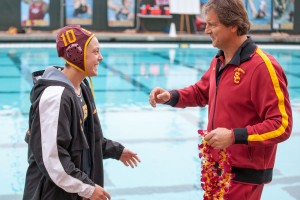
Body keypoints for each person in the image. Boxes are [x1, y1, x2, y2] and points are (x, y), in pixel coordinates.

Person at [149, 0, 293, 199]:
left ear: (233, 25)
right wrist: (171, 96)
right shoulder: (220, 60)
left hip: (243, 177)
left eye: (212, 24)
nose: (206, 30)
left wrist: (234, 136)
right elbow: (201, 92)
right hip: (215, 169)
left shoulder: (263, 67)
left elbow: (281, 125)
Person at [23, 25, 141, 200]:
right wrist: (87, 188)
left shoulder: (81, 88)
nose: (100, 57)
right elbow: (52, 159)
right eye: (95, 52)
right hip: (50, 193)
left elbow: (87, 139)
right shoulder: (55, 97)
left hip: (70, 191)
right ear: (75, 54)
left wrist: (115, 150)